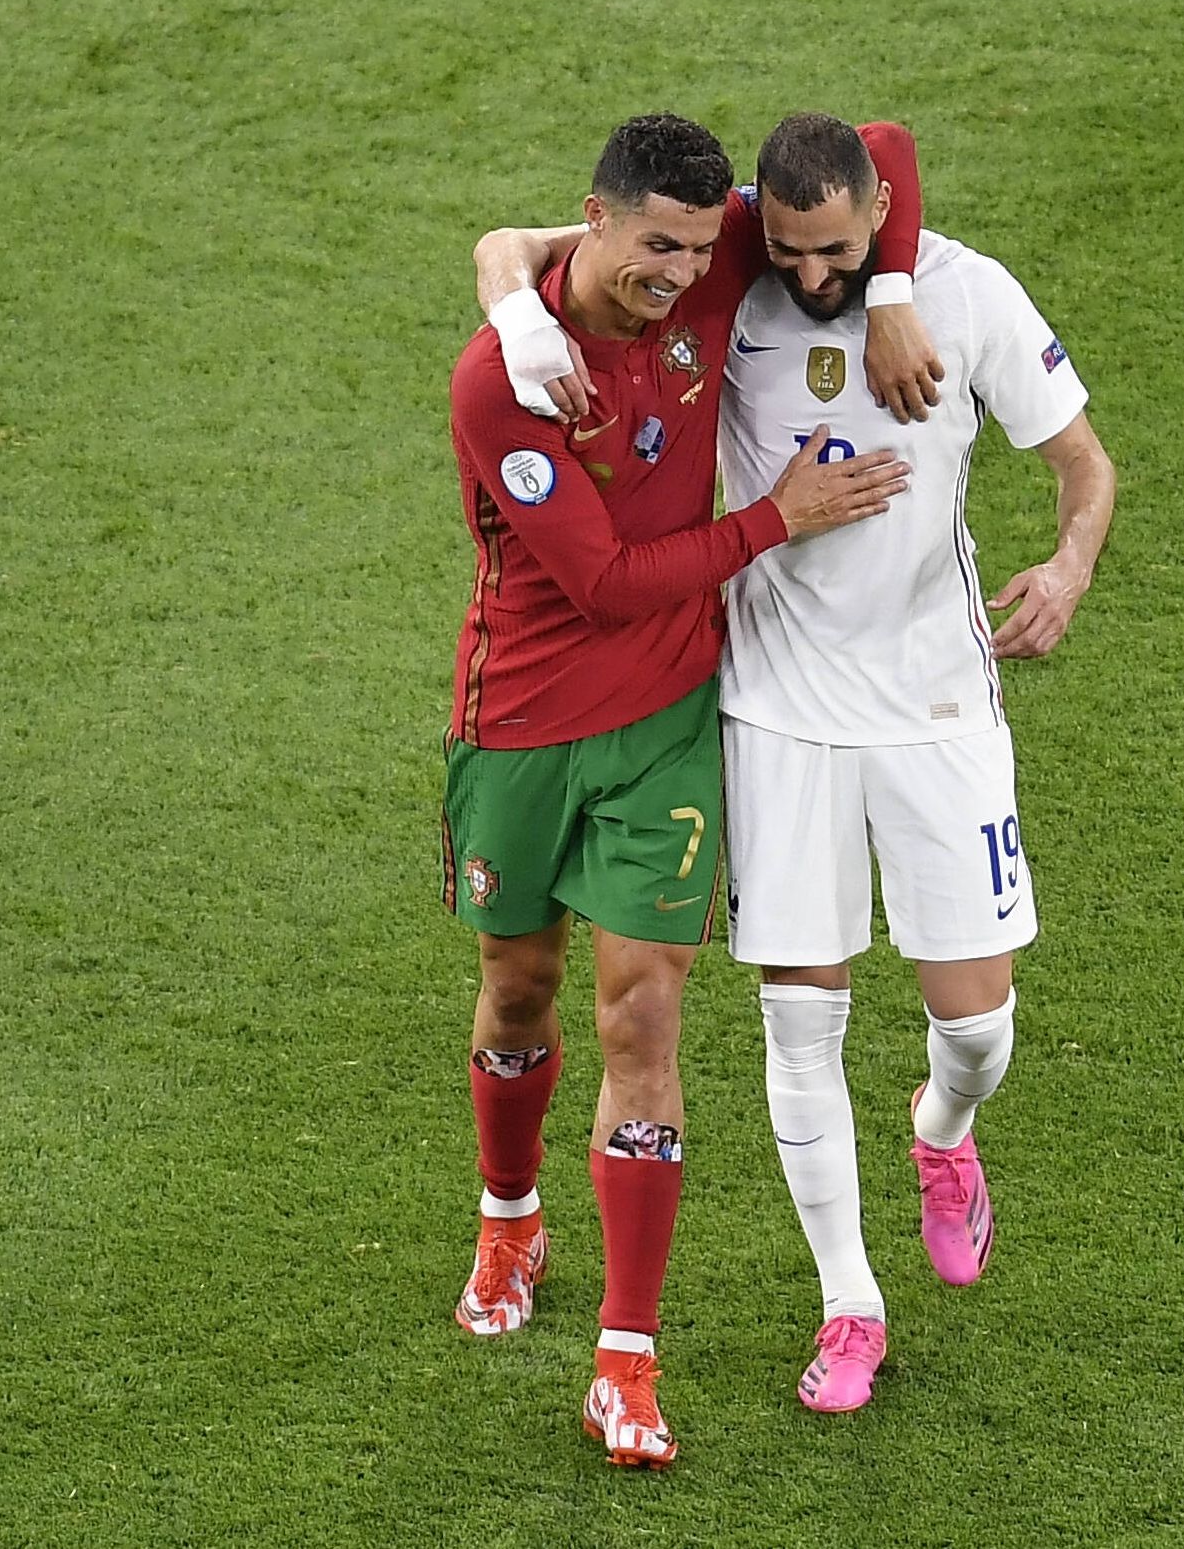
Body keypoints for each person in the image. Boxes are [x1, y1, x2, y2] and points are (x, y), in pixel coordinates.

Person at [445, 112, 938, 1469]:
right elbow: (600, 587)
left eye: (696, 249)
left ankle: (626, 1355)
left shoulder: (715, 259)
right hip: (524, 723)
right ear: (594, 222)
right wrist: (778, 517)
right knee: (517, 985)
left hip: (665, 722)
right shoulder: (502, 387)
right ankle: (508, 1214)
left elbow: (879, 139)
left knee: (645, 1012)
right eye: (655, 247)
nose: (686, 275)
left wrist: (886, 291)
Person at [717, 112, 1116, 1413]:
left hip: (939, 712)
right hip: (779, 713)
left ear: (881, 210)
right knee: (798, 1018)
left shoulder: (966, 293)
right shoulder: (734, 287)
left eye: (837, 251)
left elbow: (1083, 466)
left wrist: (1068, 567)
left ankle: (941, 1134)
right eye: (790, 250)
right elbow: (544, 248)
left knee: (978, 1027)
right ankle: (850, 1304)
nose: (811, 275)